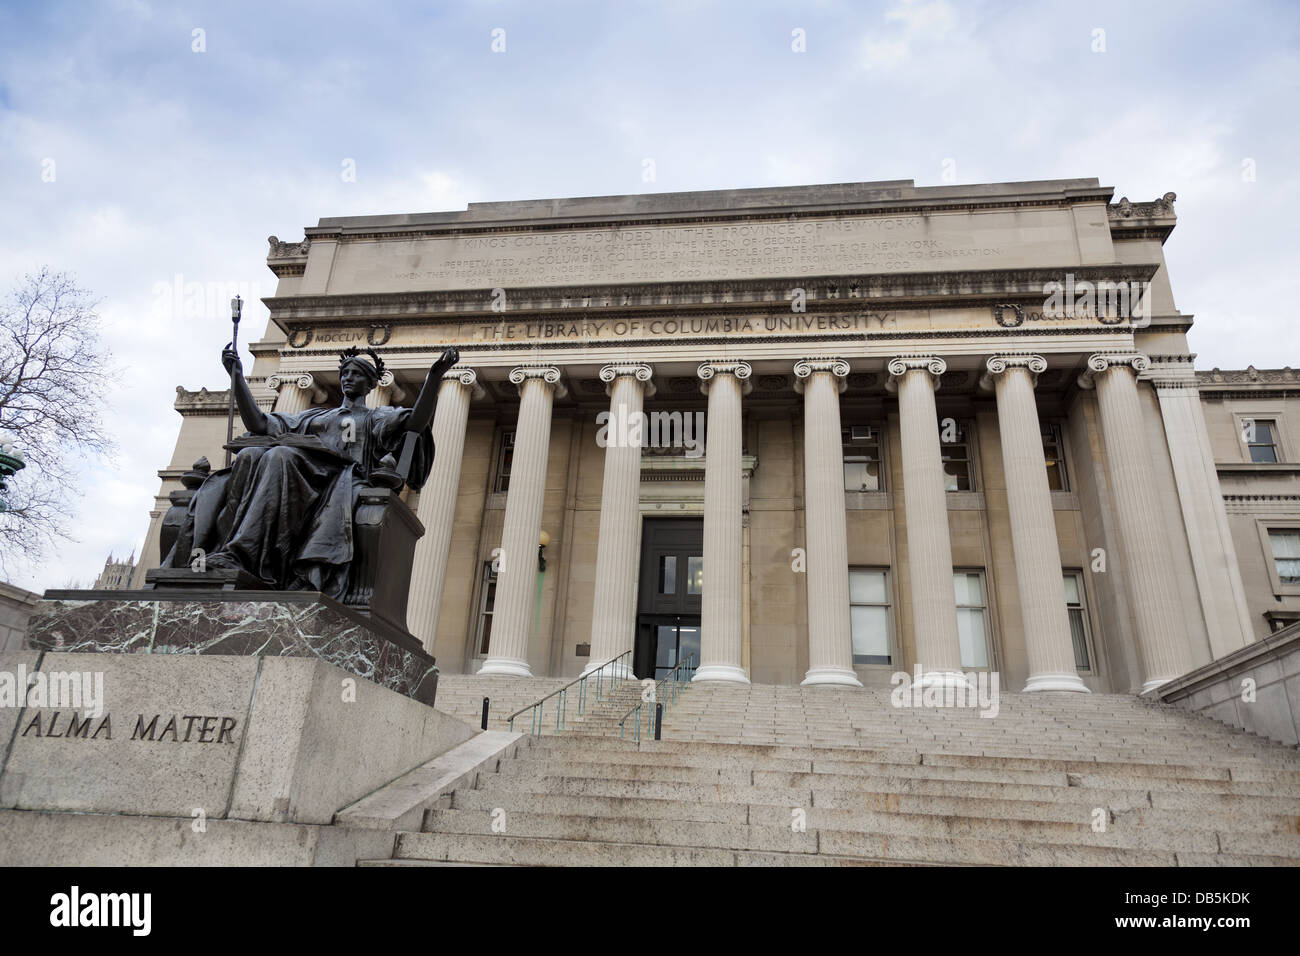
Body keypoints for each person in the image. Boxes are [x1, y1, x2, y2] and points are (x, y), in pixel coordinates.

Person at [163, 343, 460, 599]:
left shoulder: (377, 416)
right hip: (296, 476)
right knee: (252, 454)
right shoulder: (314, 415)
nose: (347, 378)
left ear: (371, 385)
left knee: (280, 455)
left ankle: (243, 554)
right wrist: (237, 377)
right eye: (344, 373)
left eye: (356, 374)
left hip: (339, 480)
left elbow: (415, 423)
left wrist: (434, 376)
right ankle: (238, 557)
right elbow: (259, 424)